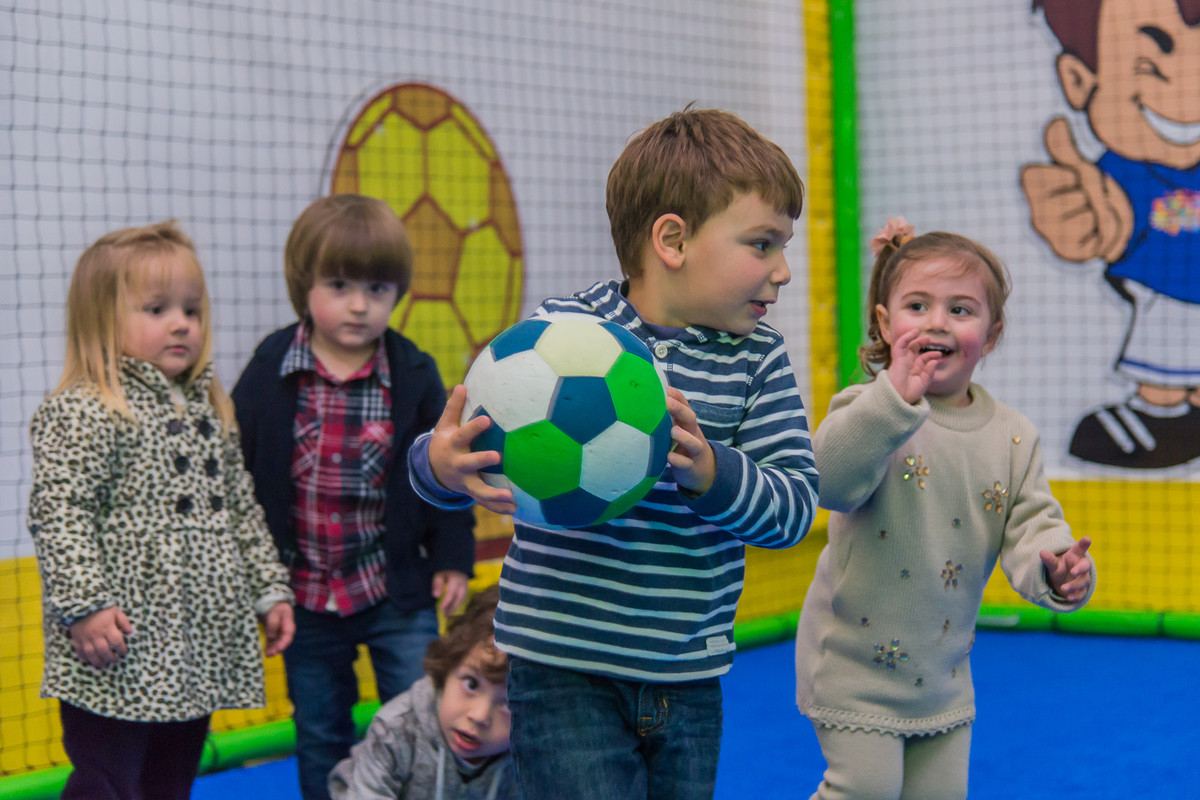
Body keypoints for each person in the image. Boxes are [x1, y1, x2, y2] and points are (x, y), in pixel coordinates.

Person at [410, 106, 821, 800]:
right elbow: (463, 450)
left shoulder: (759, 362)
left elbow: (793, 510)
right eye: (762, 244)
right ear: (673, 239)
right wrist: (439, 465)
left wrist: (712, 472)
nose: (782, 271)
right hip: (560, 668)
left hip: (689, 672)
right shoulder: (559, 337)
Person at [794, 218, 1097, 800]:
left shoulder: (1012, 435)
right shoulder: (867, 408)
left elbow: (1034, 524)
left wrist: (1057, 566)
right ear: (885, 323)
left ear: (992, 331)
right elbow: (827, 481)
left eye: (961, 310)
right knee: (865, 790)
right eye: (917, 305)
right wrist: (894, 400)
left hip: (942, 675)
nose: (937, 322)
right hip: (854, 664)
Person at [27, 220, 295, 800]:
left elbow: (242, 510)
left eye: (191, 310)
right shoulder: (86, 409)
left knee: (170, 778)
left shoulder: (208, 407)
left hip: (194, 641)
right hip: (119, 642)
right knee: (107, 778)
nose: (181, 323)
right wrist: (86, 606)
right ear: (102, 321)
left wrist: (268, 590)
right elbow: (60, 512)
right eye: (156, 309)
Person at [231, 193, 476, 800]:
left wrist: (451, 556)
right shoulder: (271, 368)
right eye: (339, 285)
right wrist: (253, 581)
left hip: (391, 585)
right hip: (305, 594)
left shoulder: (412, 373)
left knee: (420, 715)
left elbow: (445, 471)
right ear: (303, 285)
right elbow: (236, 473)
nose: (360, 305)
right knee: (319, 729)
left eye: (378, 288)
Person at [1021, 0, 1200, 468]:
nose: (1187, 87)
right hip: (1165, 293)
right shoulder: (1125, 174)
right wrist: (1087, 221)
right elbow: (1109, 217)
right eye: (1149, 65)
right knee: (1166, 339)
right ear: (1080, 81)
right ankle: (1160, 411)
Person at [329, 584, 515, 800]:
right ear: (448, 669)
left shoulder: (533, 749)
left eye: (509, 704)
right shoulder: (395, 730)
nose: (479, 716)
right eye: (471, 684)